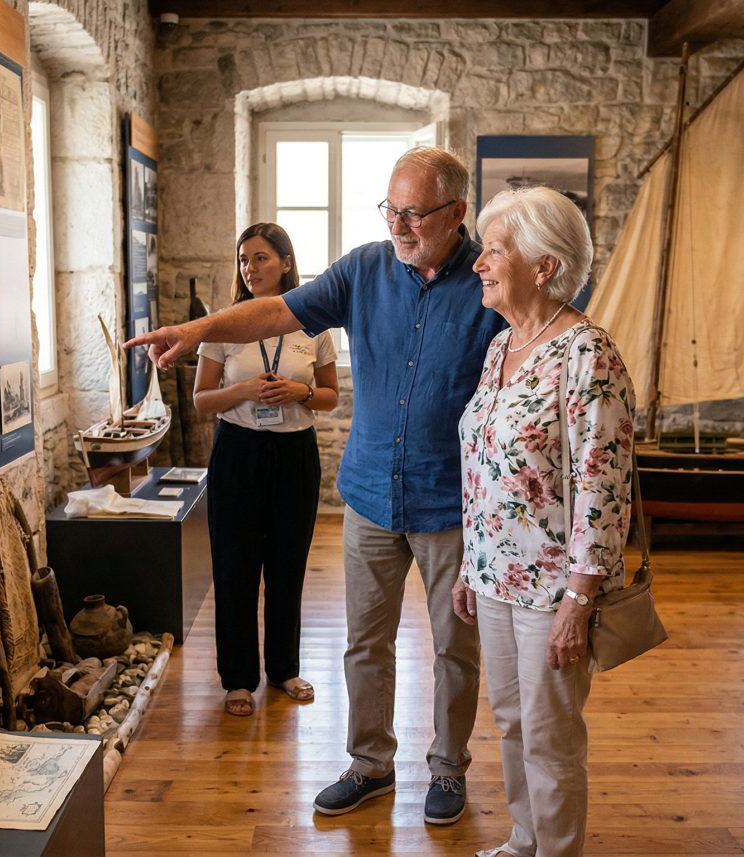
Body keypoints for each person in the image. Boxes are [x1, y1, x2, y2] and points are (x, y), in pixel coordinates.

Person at [127, 147, 505, 826]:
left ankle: (448, 768)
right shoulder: (364, 268)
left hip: (453, 504)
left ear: (457, 212)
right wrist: (196, 330)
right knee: (365, 642)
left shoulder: (487, 282)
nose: (399, 224)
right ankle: (370, 763)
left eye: (414, 212)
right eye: (390, 208)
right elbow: (273, 314)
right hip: (368, 496)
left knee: (454, 646)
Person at [451, 186, 635, 857]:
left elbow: (602, 483)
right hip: (496, 576)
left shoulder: (588, 353)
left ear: (544, 265)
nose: (479, 262)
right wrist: (472, 566)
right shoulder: (502, 347)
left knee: (550, 734)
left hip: (556, 587)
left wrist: (580, 599)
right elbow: (484, 464)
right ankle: (524, 841)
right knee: (509, 723)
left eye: (495, 249)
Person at [193, 223, 339, 718]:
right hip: (236, 452)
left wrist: (298, 393)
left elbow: (331, 397)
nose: (249, 269)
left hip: (295, 455)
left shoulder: (313, 325)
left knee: (286, 565)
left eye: (259, 258)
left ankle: (283, 669)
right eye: (243, 260)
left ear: (285, 263)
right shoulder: (223, 324)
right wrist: (244, 391)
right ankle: (237, 678)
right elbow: (200, 400)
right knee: (233, 567)